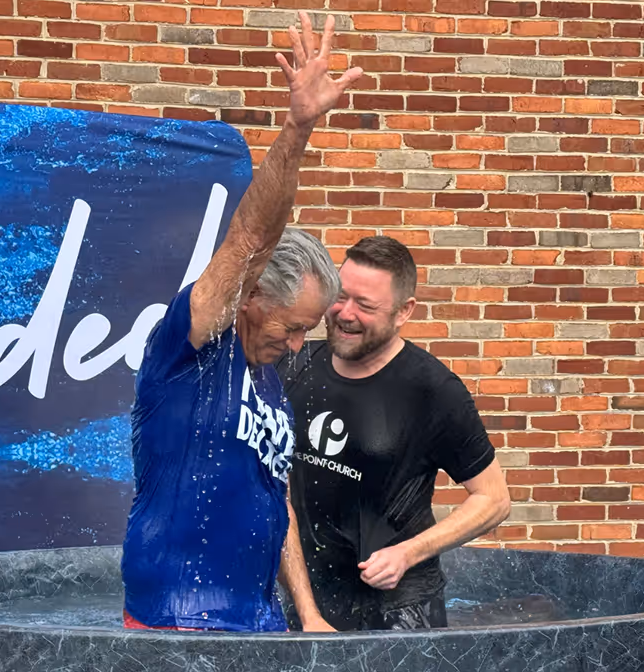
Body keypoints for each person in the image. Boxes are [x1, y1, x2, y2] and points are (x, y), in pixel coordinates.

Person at [120, 12, 363, 633]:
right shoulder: (192, 346)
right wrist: (298, 128)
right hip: (177, 628)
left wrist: (306, 613)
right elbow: (252, 236)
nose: (300, 342)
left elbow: (273, 497)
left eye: (309, 330)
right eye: (294, 325)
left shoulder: (271, 380)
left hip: (261, 625)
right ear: (252, 295)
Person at [277, 235, 512, 631]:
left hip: (398, 614)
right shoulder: (296, 366)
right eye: (340, 296)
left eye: (365, 305)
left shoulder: (432, 390)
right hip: (308, 604)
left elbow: (494, 499)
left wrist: (407, 553)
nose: (344, 314)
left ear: (404, 312)